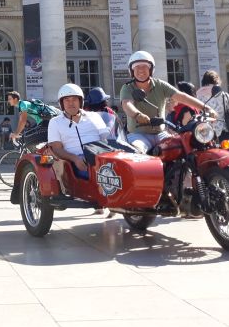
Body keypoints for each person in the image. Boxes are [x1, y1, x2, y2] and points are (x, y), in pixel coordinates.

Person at [120, 51, 217, 154]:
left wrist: (206, 108)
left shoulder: (160, 85)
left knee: (183, 146)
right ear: (131, 70)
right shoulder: (127, 88)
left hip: (160, 133)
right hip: (138, 134)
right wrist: (137, 115)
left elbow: (181, 96)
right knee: (137, 151)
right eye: (137, 67)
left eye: (145, 67)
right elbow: (127, 104)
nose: (141, 70)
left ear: (151, 69)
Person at [48, 84, 111, 213]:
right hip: (76, 160)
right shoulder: (55, 122)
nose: (71, 103)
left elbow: (107, 139)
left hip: (100, 155)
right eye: (67, 100)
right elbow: (57, 149)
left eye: (74, 99)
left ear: (80, 101)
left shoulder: (94, 117)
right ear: (61, 103)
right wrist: (75, 158)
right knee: (99, 174)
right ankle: (103, 197)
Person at [196, 70, 229, 142]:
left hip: (205, 132)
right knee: (225, 153)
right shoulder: (223, 95)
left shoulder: (198, 95)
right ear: (217, 81)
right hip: (223, 130)